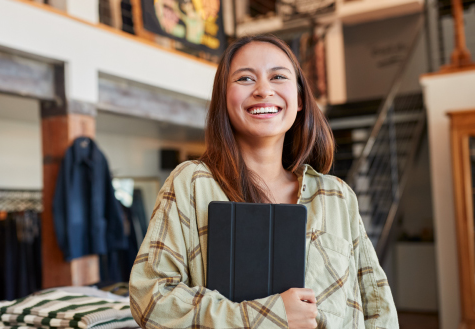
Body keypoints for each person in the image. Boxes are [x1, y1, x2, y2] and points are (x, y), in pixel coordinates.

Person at [128, 35, 398, 329]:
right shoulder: (191, 184)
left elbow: (377, 304)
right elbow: (151, 298)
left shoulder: (337, 197)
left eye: (278, 76)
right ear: (224, 99)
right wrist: (270, 316)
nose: (263, 90)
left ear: (299, 100)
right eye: (244, 78)